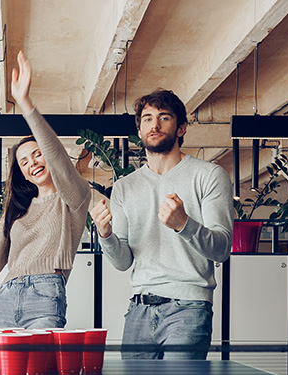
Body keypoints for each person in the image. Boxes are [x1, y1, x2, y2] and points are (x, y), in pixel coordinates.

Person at [0, 51, 90, 329]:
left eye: (37, 154)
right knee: (6, 361)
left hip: (46, 294)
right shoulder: (18, 209)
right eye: (24, 162)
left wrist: (26, 104)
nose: (32, 163)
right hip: (8, 295)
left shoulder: (74, 199)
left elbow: (58, 158)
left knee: (39, 360)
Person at [90, 89, 233, 360]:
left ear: (181, 128)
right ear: (139, 130)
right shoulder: (124, 187)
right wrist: (106, 235)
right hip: (139, 310)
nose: (154, 125)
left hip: (189, 308)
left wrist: (184, 224)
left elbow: (221, 250)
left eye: (164, 117)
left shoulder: (209, 175)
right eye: (147, 119)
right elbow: (123, 262)